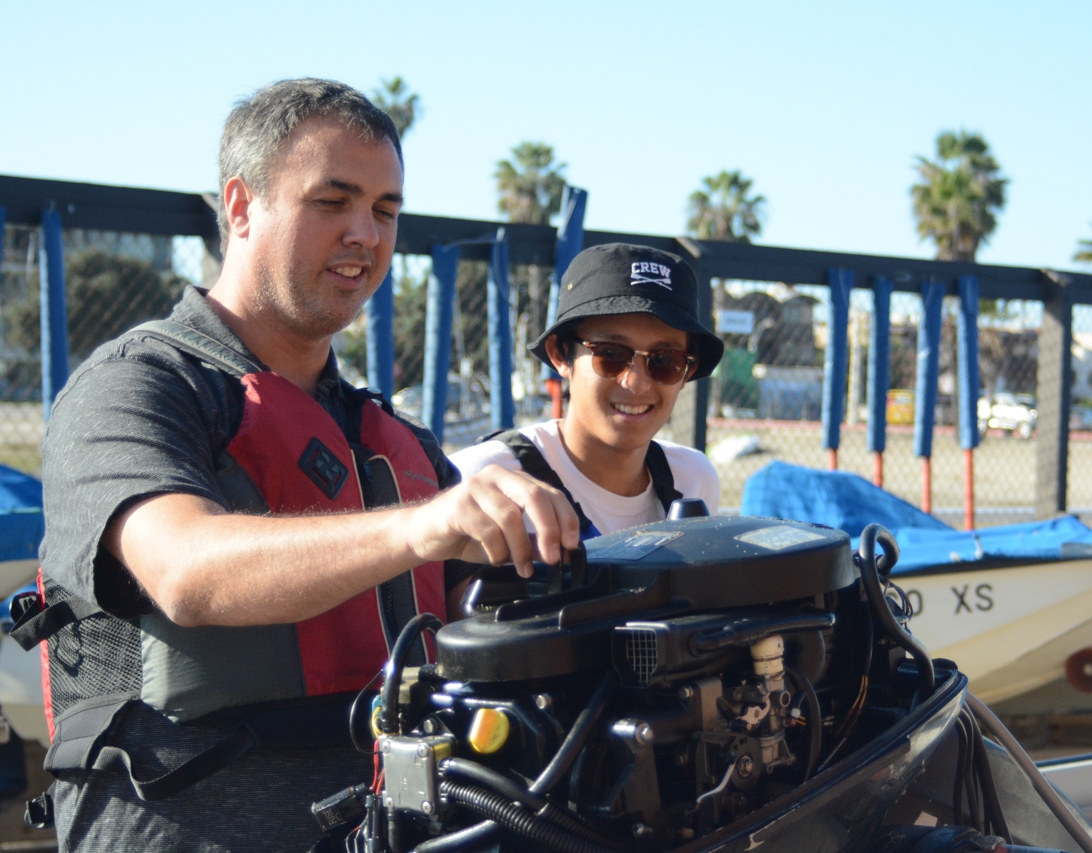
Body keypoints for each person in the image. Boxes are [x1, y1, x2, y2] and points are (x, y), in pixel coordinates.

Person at [29, 79, 577, 852]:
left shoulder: (399, 438)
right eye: (333, 200)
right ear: (242, 206)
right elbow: (187, 570)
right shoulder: (137, 385)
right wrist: (426, 527)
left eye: (387, 210)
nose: (367, 233)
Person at [451, 243, 723, 538]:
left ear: (688, 372)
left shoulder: (693, 481)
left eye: (666, 361)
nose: (637, 382)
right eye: (612, 354)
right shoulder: (485, 480)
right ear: (560, 355)